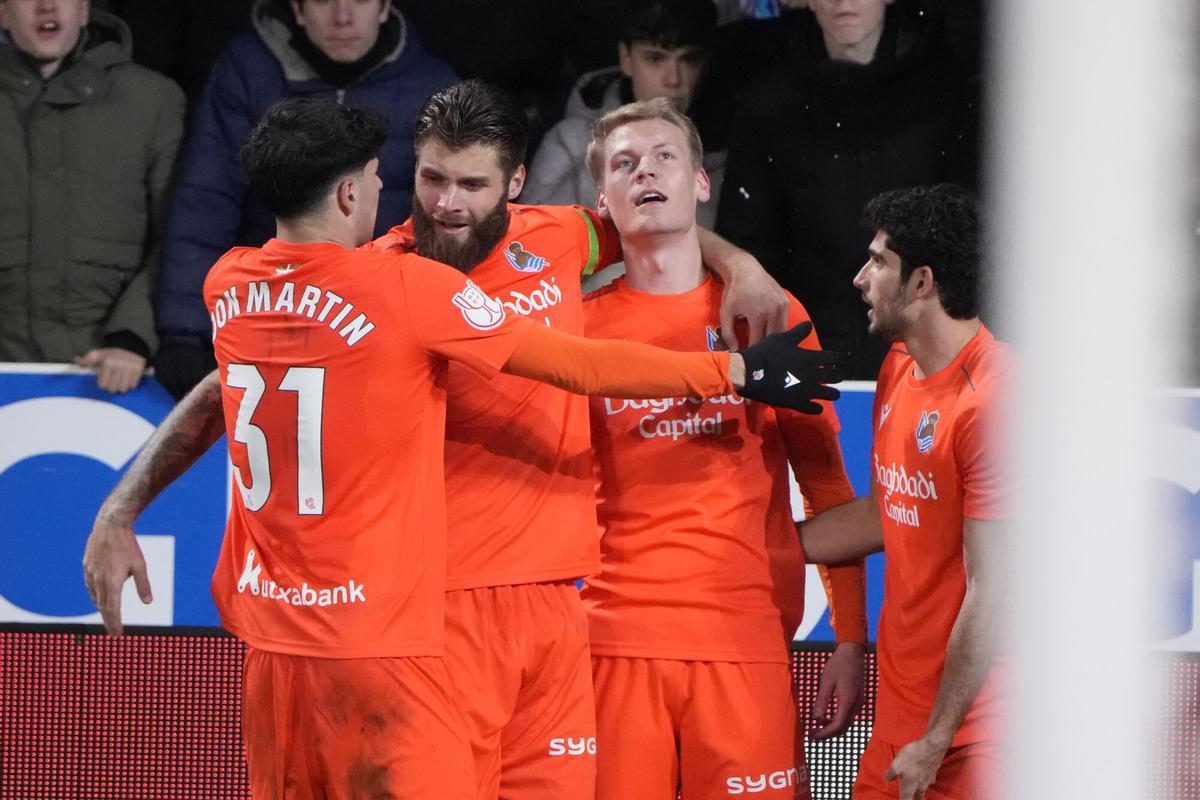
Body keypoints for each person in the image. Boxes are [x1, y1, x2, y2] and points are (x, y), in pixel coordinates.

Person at [82, 96, 841, 798]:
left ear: (515, 182)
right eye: (432, 178)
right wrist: (734, 372)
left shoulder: (556, 236)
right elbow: (236, 381)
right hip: (437, 612)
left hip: (554, 606)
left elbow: (654, 218)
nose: (449, 203)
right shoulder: (380, 275)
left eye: (473, 184)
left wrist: (743, 264)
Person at [579, 97, 867, 800]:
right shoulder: (573, 331)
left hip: (744, 639)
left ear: (701, 182)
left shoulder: (770, 315)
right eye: (624, 164)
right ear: (603, 203)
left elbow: (826, 483)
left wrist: (852, 638)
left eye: (663, 157)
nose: (645, 171)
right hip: (612, 641)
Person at [798, 184, 1006, 800]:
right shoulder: (898, 366)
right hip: (899, 728)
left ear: (922, 282)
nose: (861, 278)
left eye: (878, 262)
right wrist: (759, 548)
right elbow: (888, 511)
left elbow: (994, 589)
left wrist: (938, 739)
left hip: (977, 740)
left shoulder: (996, 401)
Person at [151, 0, 456, 399]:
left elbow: (449, 216)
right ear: (296, 9)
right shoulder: (249, 70)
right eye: (324, 1)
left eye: (360, 1)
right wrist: (186, 332)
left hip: (390, 326)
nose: (343, 16)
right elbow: (206, 200)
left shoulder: (433, 85)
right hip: (272, 317)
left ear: (384, 8)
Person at [716, 0, 982, 380]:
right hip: (806, 360)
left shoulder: (945, 97)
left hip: (930, 362)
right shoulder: (769, 107)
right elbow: (748, 243)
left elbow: (972, 240)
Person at [0, 0, 183, 392]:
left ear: (83, 10)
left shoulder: (153, 100)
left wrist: (133, 336)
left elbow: (182, 237)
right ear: (2, 13)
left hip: (115, 378)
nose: (46, 6)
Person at [522, 0, 725, 229]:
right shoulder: (572, 140)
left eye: (689, 60)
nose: (673, 79)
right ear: (626, 58)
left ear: (705, 62)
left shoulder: (728, 146)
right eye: (655, 59)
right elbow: (532, 244)